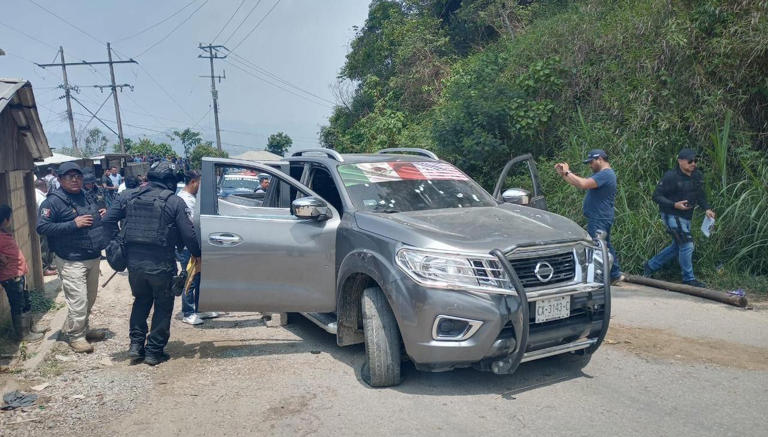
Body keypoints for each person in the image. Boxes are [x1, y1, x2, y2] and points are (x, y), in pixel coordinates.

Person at [102, 162, 201, 365]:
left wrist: (118, 242)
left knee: (141, 300)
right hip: (161, 263)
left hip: (134, 263)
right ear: (169, 182)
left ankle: (136, 346)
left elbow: (107, 221)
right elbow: (189, 235)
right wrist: (198, 255)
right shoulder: (174, 202)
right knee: (163, 305)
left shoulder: (128, 196)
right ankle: (154, 351)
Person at [36, 162, 109, 353]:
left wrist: (102, 214)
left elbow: (92, 219)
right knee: (78, 300)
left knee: (90, 298)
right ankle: (75, 336)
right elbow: (42, 228)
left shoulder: (85, 196)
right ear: (60, 179)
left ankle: (84, 329)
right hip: (70, 259)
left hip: (92, 256)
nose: (75, 179)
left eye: (78, 176)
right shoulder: (52, 202)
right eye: (69, 176)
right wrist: (73, 224)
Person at [644, 148, 716, 288]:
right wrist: (674, 205)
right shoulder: (670, 176)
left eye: (695, 161)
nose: (693, 163)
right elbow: (656, 196)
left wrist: (706, 208)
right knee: (687, 244)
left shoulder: (697, 175)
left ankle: (650, 266)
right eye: (690, 161)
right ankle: (688, 278)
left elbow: (700, 194)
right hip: (671, 214)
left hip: (687, 217)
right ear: (680, 161)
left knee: (678, 246)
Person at [555, 149, 622, 283]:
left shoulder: (605, 174)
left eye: (591, 162)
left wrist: (568, 172)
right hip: (601, 216)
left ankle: (598, 278)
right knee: (605, 245)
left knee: (597, 247)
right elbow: (578, 183)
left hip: (599, 217)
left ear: (600, 159)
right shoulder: (604, 174)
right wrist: (564, 175)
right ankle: (615, 274)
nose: (590, 165)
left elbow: (584, 184)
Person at [175, 170, 218, 325]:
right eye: (199, 183)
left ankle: (200, 308)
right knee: (190, 278)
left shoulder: (191, 198)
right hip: (187, 247)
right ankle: (188, 312)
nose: (200, 186)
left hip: (196, 245)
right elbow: (190, 227)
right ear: (193, 182)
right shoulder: (183, 200)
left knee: (199, 277)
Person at [0, 205, 45, 342]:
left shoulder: (3, 233)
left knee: (25, 301)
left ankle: (30, 328)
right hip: (11, 276)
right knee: (18, 305)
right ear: (6, 219)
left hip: (18, 274)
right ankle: (23, 334)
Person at [35, 179, 57, 276]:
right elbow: (45, 213)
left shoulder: (36, 194)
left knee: (46, 246)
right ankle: (44, 268)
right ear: (43, 186)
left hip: (39, 224)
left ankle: (48, 265)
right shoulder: (41, 198)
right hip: (44, 225)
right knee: (44, 248)